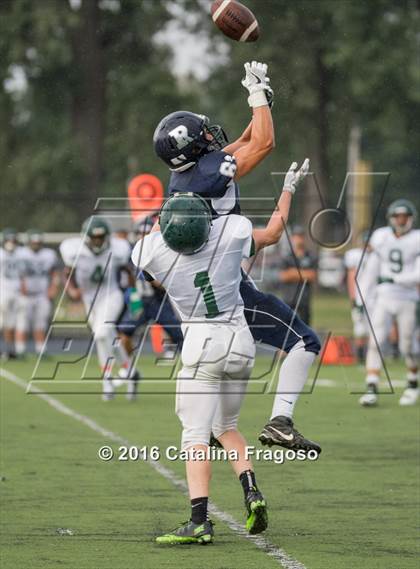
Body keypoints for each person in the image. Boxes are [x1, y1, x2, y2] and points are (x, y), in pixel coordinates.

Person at [131, 160, 308, 544]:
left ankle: (198, 521)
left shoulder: (152, 253)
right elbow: (275, 232)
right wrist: (288, 189)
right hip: (240, 343)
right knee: (226, 428)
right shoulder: (231, 234)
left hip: (202, 345)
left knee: (195, 436)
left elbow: (155, 248)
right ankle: (252, 492)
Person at [153, 61, 321, 453]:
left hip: (210, 279)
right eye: (203, 133)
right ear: (191, 147)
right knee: (305, 341)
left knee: (227, 374)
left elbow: (244, 141)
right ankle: (280, 420)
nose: (211, 135)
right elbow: (263, 145)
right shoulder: (207, 175)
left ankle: (213, 428)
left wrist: (261, 107)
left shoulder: (185, 177)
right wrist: (256, 93)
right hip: (229, 284)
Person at [60, 216, 140, 401]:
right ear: (86, 237)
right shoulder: (73, 250)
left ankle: (107, 380)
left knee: (102, 334)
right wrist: (72, 290)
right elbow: (66, 273)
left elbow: (128, 272)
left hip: (110, 294)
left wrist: (135, 298)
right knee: (104, 337)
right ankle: (130, 371)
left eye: (101, 237)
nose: (98, 241)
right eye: (94, 238)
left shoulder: (118, 248)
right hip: (89, 298)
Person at [358, 199, 419, 407]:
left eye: (405, 217)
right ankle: (371, 385)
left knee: (407, 345)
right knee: (376, 340)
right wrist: (361, 298)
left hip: (408, 298)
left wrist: (397, 279)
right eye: (398, 217)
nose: (401, 221)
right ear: (392, 218)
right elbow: (371, 270)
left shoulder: (417, 239)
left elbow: (418, 275)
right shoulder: (381, 236)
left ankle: (412, 383)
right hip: (384, 297)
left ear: (410, 218)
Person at [117, 217, 183, 358]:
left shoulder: (162, 252)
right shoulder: (131, 252)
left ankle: (192, 364)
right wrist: (132, 293)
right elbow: (127, 277)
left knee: (180, 335)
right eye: (141, 234)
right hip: (139, 299)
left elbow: (167, 282)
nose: (143, 237)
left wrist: (156, 282)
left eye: (147, 233)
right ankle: (128, 368)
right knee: (124, 332)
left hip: (159, 301)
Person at [15, 230, 60, 357]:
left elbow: (54, 272)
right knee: (22, 323)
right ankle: (20, 350)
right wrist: (21, 286)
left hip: (42, 294)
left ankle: (41, 350)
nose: (36, 245)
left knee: (40, 323)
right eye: (33, 242)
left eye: (38, 242)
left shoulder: (48, 254)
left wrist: (53, 287)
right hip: (24, 294)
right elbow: (17, 273)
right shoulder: (21, 253)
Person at [278, 225, 318, 326]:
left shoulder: (311, 257)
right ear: (292, 238)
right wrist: (303, 274)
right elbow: (283, 276)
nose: (299, 239)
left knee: (305, 331)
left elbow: (312, 276)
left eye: (301, 236)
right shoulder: (287, 257)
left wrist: (293, 272)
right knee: (288, 331)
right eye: (296, 236)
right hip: (288, 301)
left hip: (304, 301)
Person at [344, 230, 372, 364]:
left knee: (374, 328)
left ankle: (370, 356)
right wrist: (353, 298)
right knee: (360, 328)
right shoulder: (355, 255)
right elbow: (351, 278)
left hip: (376, 298)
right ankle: (360, 355)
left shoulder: (377, 256)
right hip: (361, 297)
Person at [0, 228, 25, 359]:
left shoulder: (20, 254)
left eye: (13, 240)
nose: (11, 243)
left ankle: (9, 351)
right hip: (2, 292)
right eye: (9, 240)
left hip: (15, 292)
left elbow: (22, 274)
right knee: (2, 322)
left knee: (11, 323)